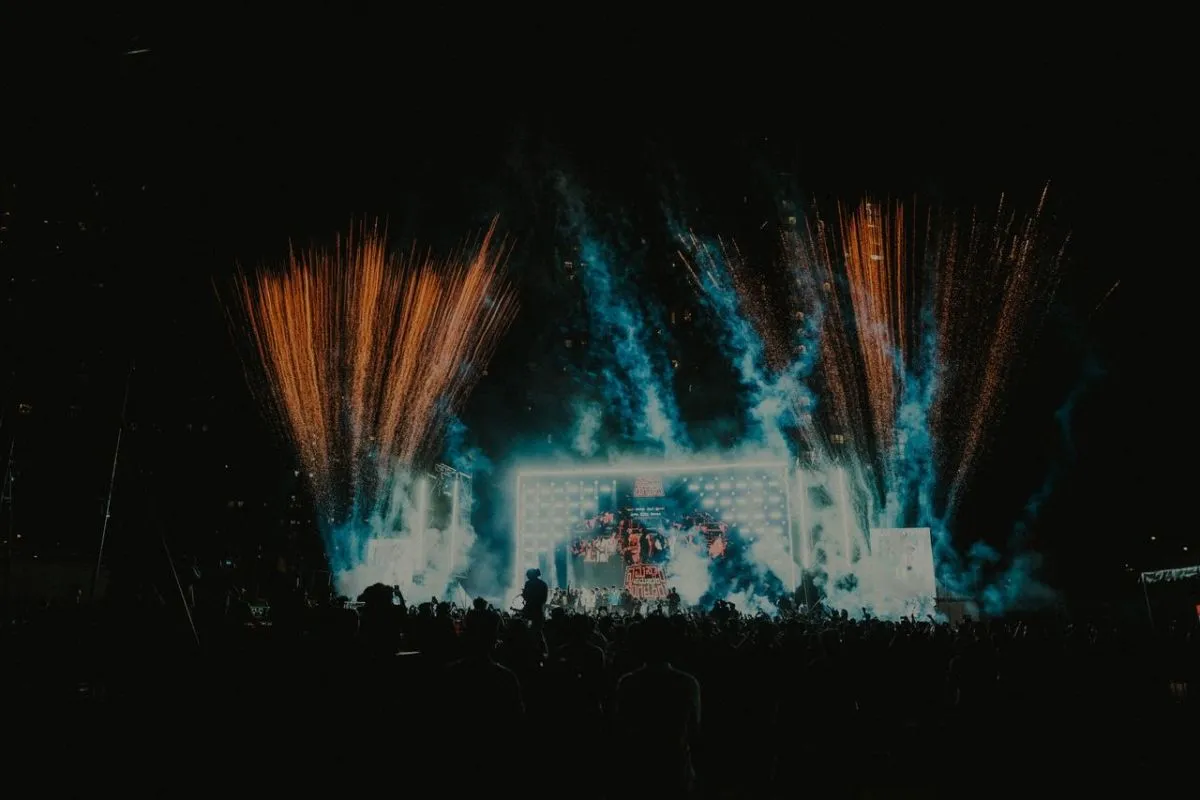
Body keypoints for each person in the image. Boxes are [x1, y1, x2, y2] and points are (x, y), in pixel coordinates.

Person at [615, 614, 701, 798]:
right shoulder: (687, 683)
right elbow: (695, 730)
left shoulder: (628, 683)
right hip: (676, 769)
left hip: (638, 769)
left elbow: (620, 727)